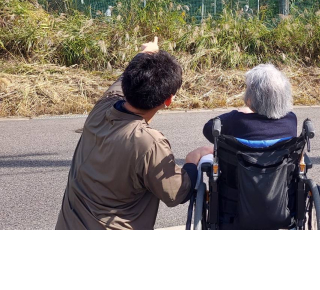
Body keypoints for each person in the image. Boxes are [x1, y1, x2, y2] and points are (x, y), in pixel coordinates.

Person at [55, 37, 213, 230]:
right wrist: (191, 161)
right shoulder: (149, 142)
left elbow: (125, 77)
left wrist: (146, 52)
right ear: (169, 100)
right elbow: (176, 193)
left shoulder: (103, 108)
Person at [203, 63, 296, 143]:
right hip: (281, 157)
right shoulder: (291, 119)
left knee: (200, 152)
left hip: (242, 158)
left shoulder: (237, 120)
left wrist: (241, 112)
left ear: (251, 97)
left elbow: (208, 129)